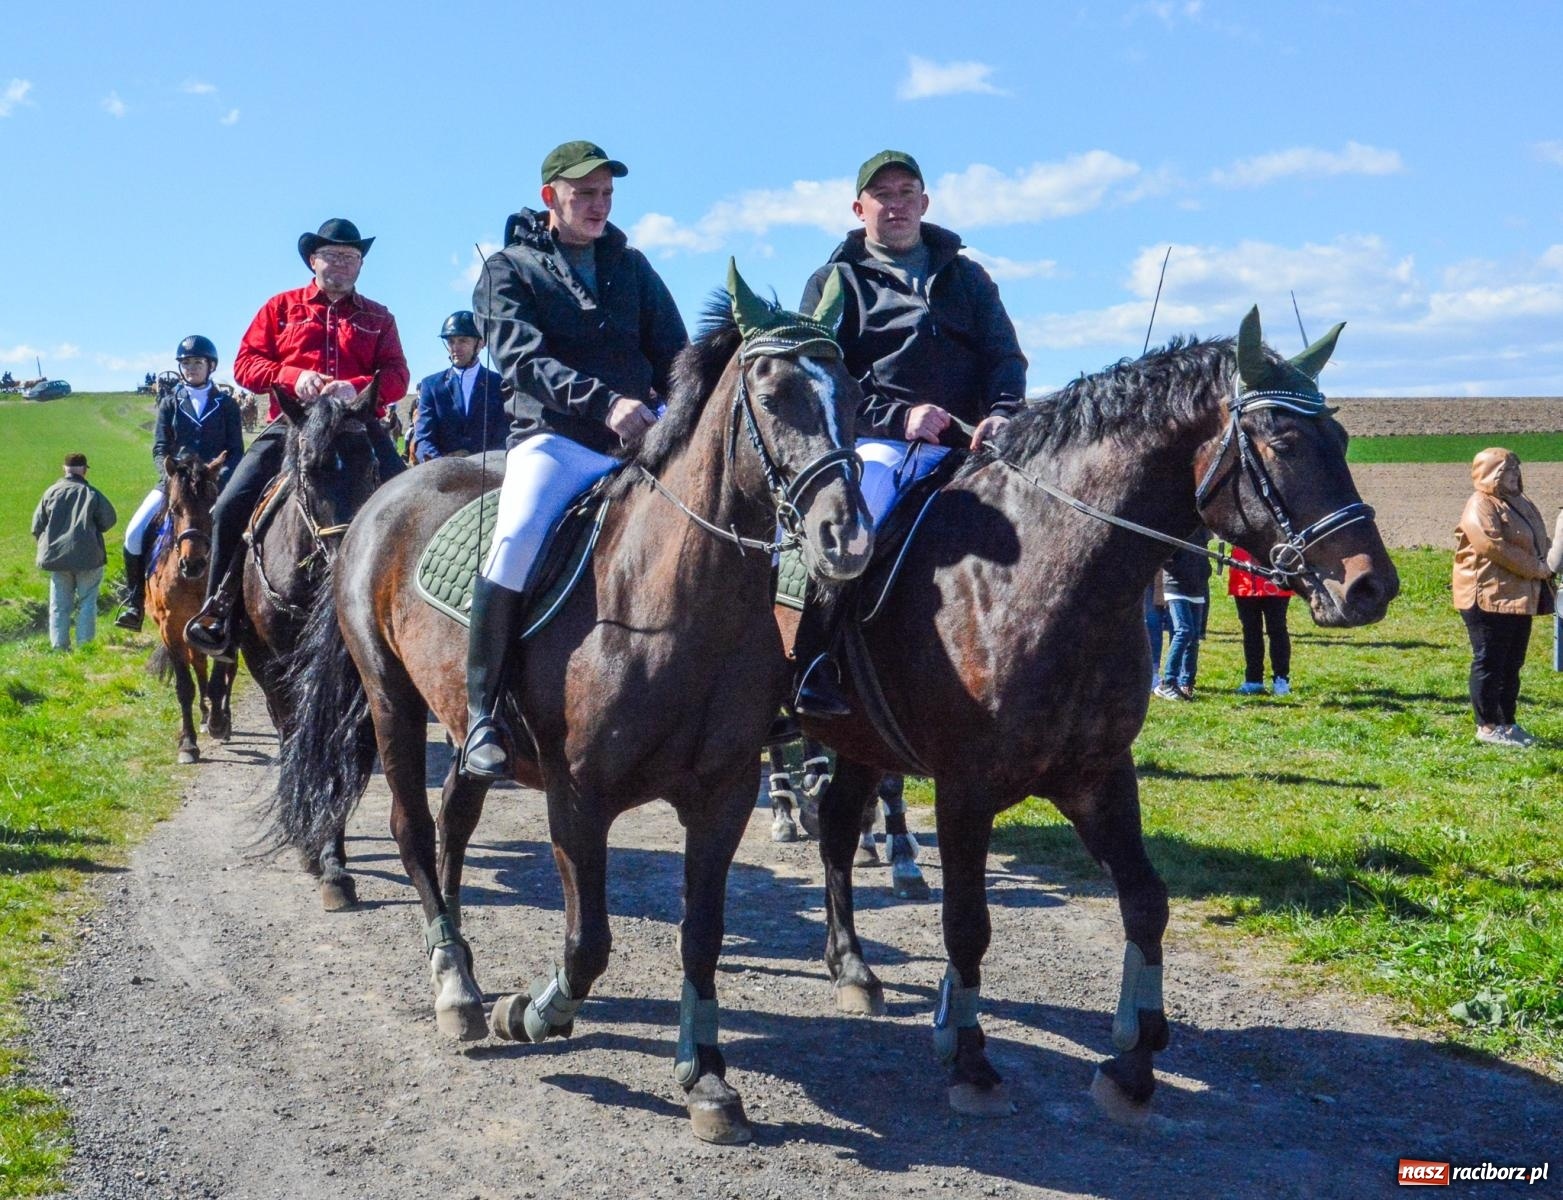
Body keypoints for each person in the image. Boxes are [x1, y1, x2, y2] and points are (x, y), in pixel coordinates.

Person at [461, 140, 688, 779]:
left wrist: (685, 409)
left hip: (640, 438)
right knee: (517, 535)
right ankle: (483, 710)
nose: (597, 205)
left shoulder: (633, 266)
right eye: (584, 193)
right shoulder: (509, 268)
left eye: (606, 194)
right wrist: (604, 402)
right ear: (550, 197)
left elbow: (675, 353)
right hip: (555, 438)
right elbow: (523, 359)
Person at [794, 149, 1027, 716]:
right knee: (853, 515)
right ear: (859, 208)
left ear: (924, 202)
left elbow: (1005, 355)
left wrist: (1002, 410)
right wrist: (898, 418)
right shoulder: (834, 282)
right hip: (883, 443)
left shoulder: (967, 277)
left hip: (975, 444)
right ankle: (813, 657)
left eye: (906, 194)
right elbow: (821, 379)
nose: (895, 206)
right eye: (883, 196)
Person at [184, 219, 410, 659]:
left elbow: (399, 375)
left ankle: (413, 618)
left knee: (411, 503)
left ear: (361, 264)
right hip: (293, 426)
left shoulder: (380, 317)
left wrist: (358, 385)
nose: (343, 263)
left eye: (352, 257)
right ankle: (219, 610)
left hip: (358, 427)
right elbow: (246, 365)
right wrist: (292, 376)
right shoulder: (280, 308)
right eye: (333, 255)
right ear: (313, 260)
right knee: (231, 503)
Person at [115, 336, 245, 631]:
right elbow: (160, 448)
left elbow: (236, 450)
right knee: (134, 533)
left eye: (197, 363)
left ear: (210, 366)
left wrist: (218, 478)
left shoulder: (227, 405)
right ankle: (134, 600)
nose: (191, 368)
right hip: (176, 484)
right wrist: (171, 478)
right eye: (186, 363)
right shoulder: (170, 403)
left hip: (214, 485)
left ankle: (244, 605)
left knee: (248, 534)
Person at [1452, 448, 1553, 747]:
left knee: (1512, 663)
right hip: (1486, 595)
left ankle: (1508, 723)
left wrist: (1551, 561)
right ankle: (1487, 726)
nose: (1515, 476)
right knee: (1490, 661)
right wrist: (1537, 568)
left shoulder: (1521, 503)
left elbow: (1538, 540)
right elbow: (1492, 546)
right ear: (1490, 473)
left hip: (1517, 596)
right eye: (1508, 471)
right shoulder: (1479, 504)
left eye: (1516, 471)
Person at [32, 453, 117, 651]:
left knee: (59, 605)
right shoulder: (92, 494)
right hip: (89, 559)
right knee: (87, 602)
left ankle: (59, 647)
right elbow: (109, 520)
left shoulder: (50, 492)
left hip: (57, 560)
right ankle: (85, 646)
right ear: (85, 470)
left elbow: (36, 526)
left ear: (64, 469)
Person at [410, 311, 508, 462]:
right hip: (443, 473)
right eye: (451, 342)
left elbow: (504, 435)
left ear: (480, 343)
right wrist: (442, 466)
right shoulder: (430, 385)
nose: (455, 348)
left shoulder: (500, 384)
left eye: (463, 341)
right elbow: (424, 438)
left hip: (489, 472)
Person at [1228, 545, 1294, 695]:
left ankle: (1281, 678)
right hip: (1244, 578)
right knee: (1251, 631)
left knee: (1277, 629)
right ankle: (1253, 679)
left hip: (1274, 579)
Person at [1154, 533, 1211, 701]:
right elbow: (1163, 554)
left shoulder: (1201, 526)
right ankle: (1168, 682)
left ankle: (1187, 684)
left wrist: (1204, 571)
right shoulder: (1176, 524)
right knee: (1184, 630)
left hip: (1197, 587)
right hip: (1175, 586)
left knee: (1193, 637)